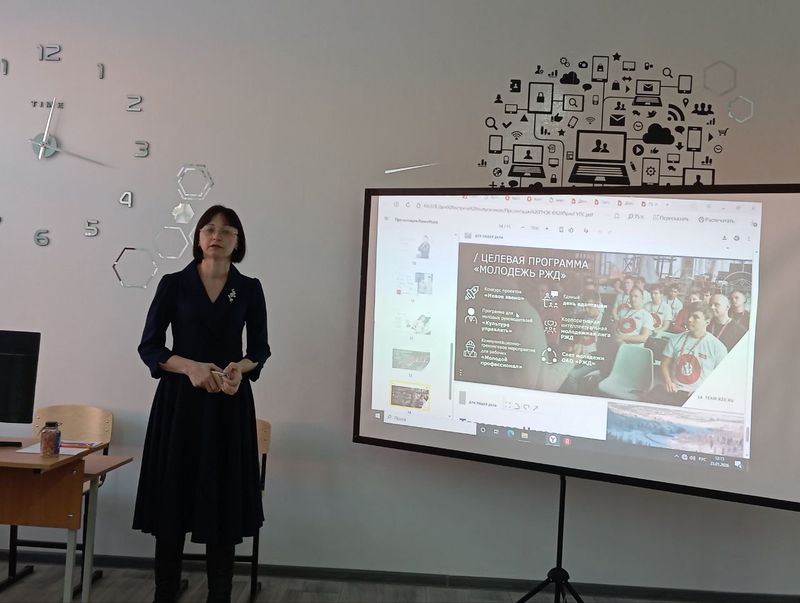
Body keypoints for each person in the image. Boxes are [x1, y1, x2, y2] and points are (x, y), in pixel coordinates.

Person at [134, 205, 271, 603]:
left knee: (222, 501)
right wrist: (189, 367)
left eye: (227, 231)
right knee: (172, 499)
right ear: (198, 238)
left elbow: (259, 350)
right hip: (179, 405)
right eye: (209, 229)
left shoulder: (249, 288)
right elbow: (150, 346)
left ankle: (220, 595)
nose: (217, 236)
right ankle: (165, 592)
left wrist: (239, 369)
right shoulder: (174, 284)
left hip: (228, 405)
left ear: (237, 242)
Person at [655, 302, 727, 405]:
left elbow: (721, 378)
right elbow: (664, 365)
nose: (689, 319)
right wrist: (668, 381)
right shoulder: (675, 339)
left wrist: (703, 393)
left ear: (707, 321)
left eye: (695, 317)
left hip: (698, 395)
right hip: (674, 390)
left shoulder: (717, 347)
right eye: (689, 315)